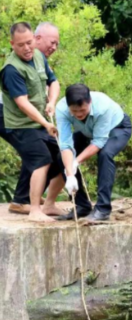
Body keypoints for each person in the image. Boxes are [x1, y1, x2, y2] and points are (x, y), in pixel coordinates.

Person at [0, 22, 64, 222]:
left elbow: (53, 81)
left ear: (34, 40)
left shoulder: (38, 56)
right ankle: (34, 209)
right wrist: (46, 124)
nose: (27, 48)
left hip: (34, 118)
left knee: (61, 155)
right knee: (40, 157)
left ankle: (37, 202)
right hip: (13, 120)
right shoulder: (11, 70)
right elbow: (22, 104)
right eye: (21, 45)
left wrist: (52, 102)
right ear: (12, 44)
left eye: (29, 43)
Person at [56, 84, 132, 221]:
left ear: (89, 101)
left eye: (83, 110)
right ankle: (82, 206)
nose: (79, 114)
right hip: (86, 131)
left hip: (117, 128)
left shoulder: (103, 106)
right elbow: (65, 144)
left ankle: (103, 209)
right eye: (74, 111)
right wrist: (69, 173)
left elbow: (99, 142)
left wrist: (76, 162)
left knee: (105, 154)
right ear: (68, 106)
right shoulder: (61, 109)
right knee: (61, 157)